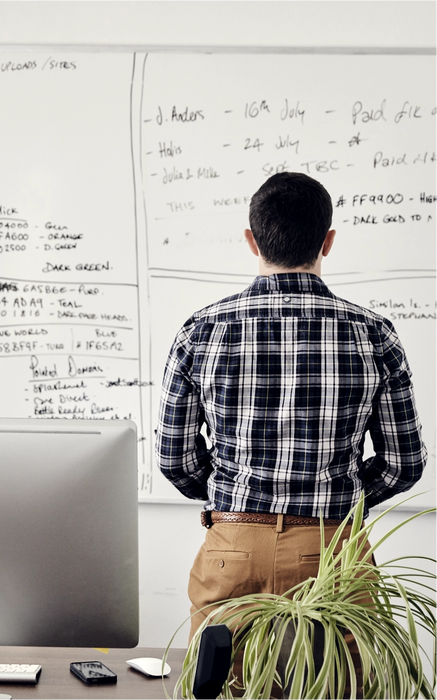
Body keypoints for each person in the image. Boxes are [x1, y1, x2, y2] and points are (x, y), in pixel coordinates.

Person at [155, 172, 427, 645]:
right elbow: (405, 465)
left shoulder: (202, 330)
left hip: (232, 545)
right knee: (336, 688)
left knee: (225, 689)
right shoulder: (373, 333)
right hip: (332, 552)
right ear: (328, 241)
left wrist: (234, 495)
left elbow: (174, 459)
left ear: (250, 239)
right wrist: (341, 499)